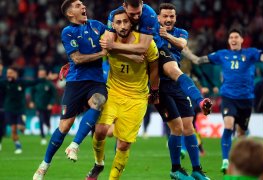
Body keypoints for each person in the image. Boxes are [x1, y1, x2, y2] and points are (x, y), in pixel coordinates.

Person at [182, 28, 263, 173]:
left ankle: (241, 161)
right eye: (231, 37)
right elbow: (198, 60)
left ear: (241, 40)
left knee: (241, 133)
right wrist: (185, 50)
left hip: (246, 99)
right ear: (228, 41)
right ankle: (226, 161)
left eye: (236, 37)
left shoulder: (250, 53)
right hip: (228, 97)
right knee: (228, 126)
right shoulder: (222, 55)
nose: (233, 40)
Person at [33, 0, 108, 179]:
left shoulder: (97, 26)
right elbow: (78, 59)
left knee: (98, 102)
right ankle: (44, 165)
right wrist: (102, 54)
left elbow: (115, 35)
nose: (83, 7)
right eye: (77, 5)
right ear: (69, 14)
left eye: (83, 4)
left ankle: (74, 145)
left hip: (96, 80)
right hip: (76, 82)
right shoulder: (68, 32)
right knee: (65, 126)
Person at [102, 0, 212, 116]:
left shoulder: (149, 14)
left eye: (138, 13)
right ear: (124, 6)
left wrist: (114, 46)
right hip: (133, 55)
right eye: (132, 14)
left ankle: (200, 101)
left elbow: (143, 48)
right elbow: (107, 44)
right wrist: (128, 54)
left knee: (174, 71)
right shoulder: (115, 16)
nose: (136, 17)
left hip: (156, 48)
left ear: (142, 4)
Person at [86, 9, 159, 180]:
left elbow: (155, 67)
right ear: (113, 24)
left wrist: (155, 91)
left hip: (137, 96)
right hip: (113, 90)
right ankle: (98, 163)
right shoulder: (107, 38)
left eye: (126, 21)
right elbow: (99, 50)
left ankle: (113, 178)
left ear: (132, 23)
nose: (123, 25)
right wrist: (132, 55)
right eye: (118, 22)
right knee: (100, 130)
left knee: (124, 144)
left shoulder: (146, 42)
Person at [154, 3, 210, 179]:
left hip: (176, 85)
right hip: (159, 86)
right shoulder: (151, 32)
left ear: (175, 18)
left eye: (172, 16)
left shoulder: (180, 33)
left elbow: (182, 44)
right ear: (158, 18)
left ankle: (197, 170)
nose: (168, 19)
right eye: (165, 16)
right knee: (176, 127)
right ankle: (175, 169)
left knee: (189, 127)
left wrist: (167, 36)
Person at [0, 66, 37, 154]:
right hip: (9, 109)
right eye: (7, 73)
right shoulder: (4, 82)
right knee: (13, 130)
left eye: (10, 73)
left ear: (15, 73)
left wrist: (45, 79)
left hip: (20, 109)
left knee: (21, 127)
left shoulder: (21, 82)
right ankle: (18, 145)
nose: (8, 75)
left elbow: (34, 82)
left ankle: (23, 129)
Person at [29, 67, 57, 145]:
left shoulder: (49, 84)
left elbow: (54, 95)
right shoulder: (36, 84)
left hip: (47, 106)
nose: (41, 75)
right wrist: (32, 101)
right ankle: (43, 137)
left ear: (45, 75)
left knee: (46, 120)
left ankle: (48, 125)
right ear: (38, 75)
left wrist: (51, 103)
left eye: (43, 74)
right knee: (41, 120)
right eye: (40, 74)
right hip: (39, 106)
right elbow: (32, 93)